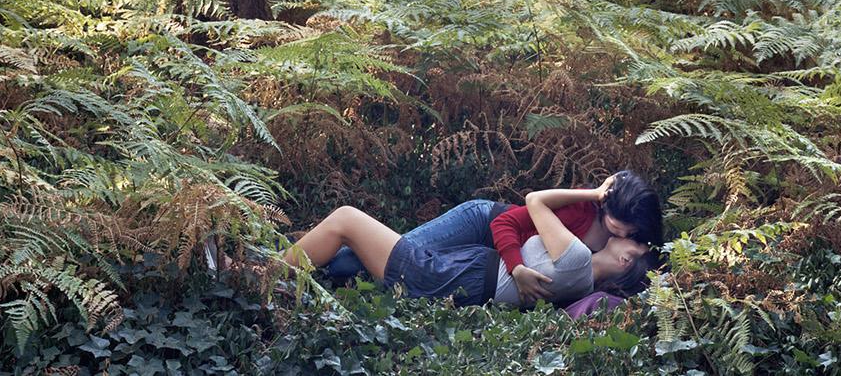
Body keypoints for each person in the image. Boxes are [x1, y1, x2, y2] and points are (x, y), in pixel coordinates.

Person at [282, 177, 660, 307]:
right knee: (374, 254)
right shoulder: (580, 213)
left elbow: (536, 203)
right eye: (623, 226)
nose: (629, 237)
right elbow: (510, 223)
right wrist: (591, 194)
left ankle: (271, 270)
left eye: (635, 238)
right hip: (484, 227)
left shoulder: (587, 261)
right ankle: (294, 257)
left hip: (477, 271)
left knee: (363, 257)